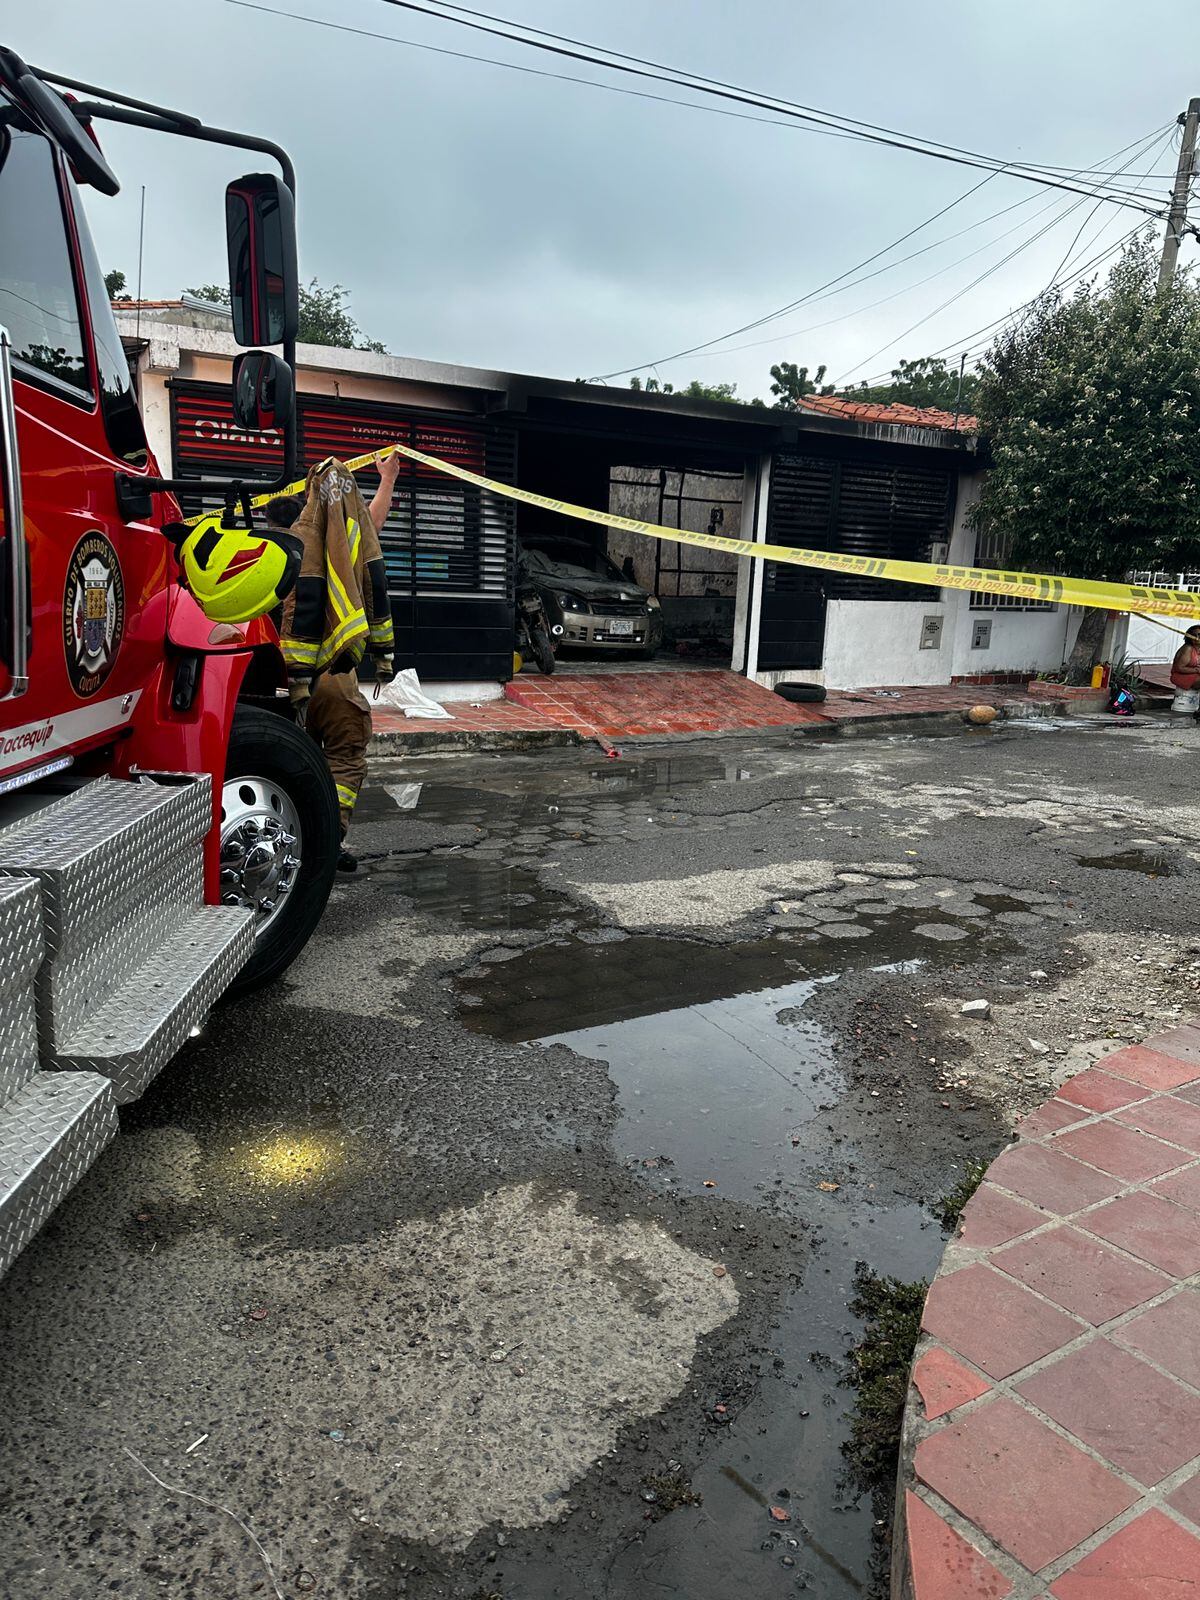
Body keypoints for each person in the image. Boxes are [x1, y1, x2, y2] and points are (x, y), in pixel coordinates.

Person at [266, 448, 400, 871]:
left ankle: (284, 846)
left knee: (284, 766)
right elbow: (370, 527)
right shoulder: (334, 547)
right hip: (333, 675)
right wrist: (388, 480)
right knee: (342, 758)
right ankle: (327, 842)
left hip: (278, 679)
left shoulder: (261, 554)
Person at [1171, 625, 1200, 691]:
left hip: (1195, 674)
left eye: (1199, 635)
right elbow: (1179, 668)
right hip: (1181, 675)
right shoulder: (1188, 648)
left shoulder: (1198, 648)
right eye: (1194, 635)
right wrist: (1197, 670)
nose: (1196, 638)